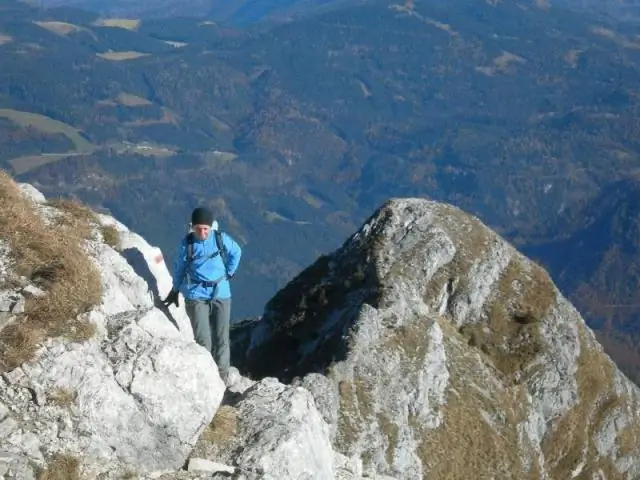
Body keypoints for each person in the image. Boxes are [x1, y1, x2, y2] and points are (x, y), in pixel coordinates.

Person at [162, 207, 242, 385]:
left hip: (221, 292)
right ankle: (206, 380)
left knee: (222, 338)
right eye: (199, 228)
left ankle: (220, 381)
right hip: (196, 294)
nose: (202, 232)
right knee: (203, 339)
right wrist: (175, 290)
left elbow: (236, 252)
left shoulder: (220, 238)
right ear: (192, 227)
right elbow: (179, 268)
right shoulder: (187, 244)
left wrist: (230, 272)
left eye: (206, 228)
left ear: (211, 227)